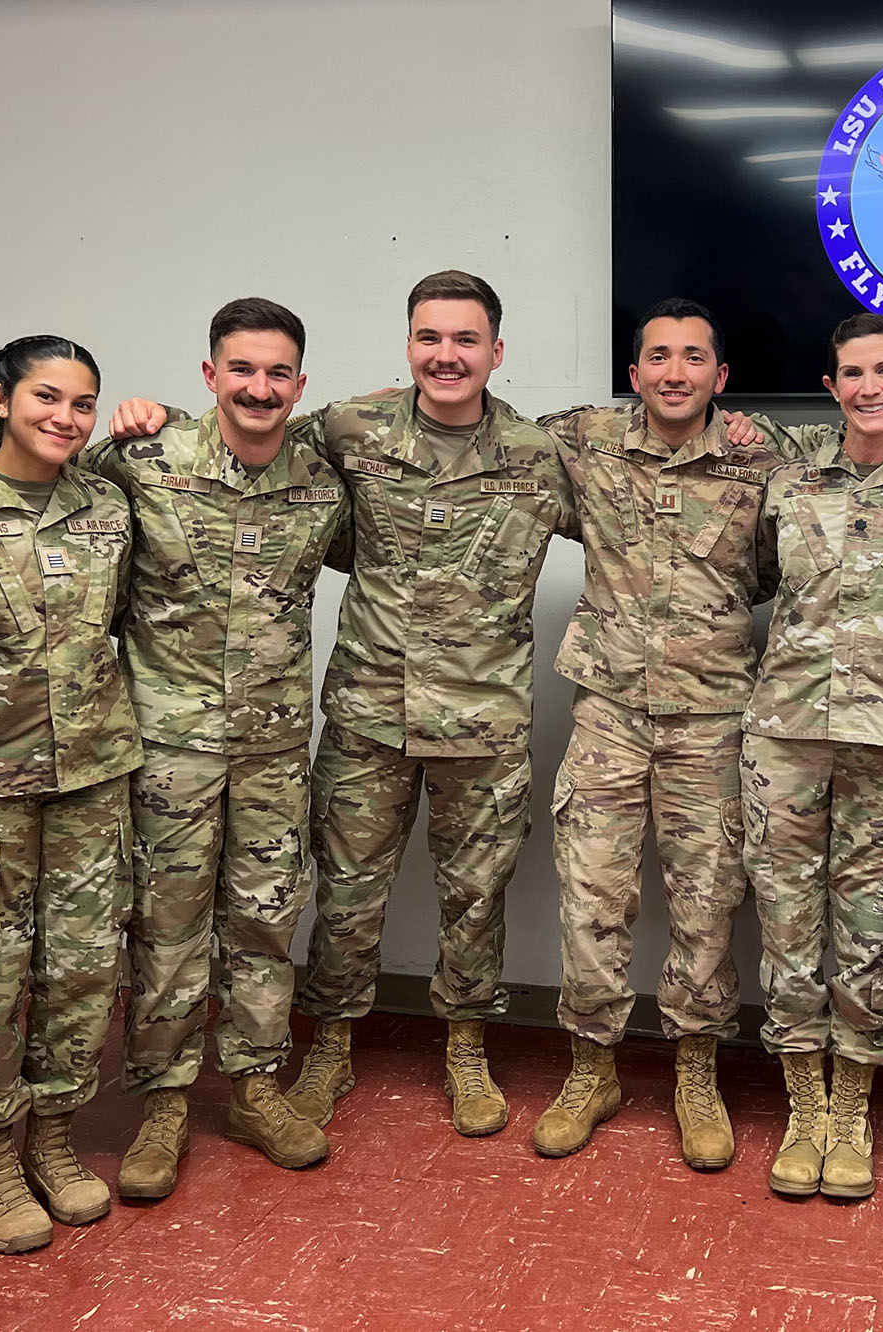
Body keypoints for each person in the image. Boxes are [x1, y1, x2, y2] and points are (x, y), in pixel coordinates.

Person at [284, 271, 577, 1136]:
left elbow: (640, 511)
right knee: (344, 891)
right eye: (428, 338)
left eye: (463, 340)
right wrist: (142, 422)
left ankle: (465, 1044)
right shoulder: (349, 428)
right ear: (408, 343)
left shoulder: (538, 454)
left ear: (496, 351)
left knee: (476, 895)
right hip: (371, 711)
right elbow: (246, 445)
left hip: (484, 723)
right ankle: (331, 1045)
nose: (444, 356)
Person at [90, 299, 352, 1197]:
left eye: (279, 373)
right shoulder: (142, 463)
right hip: (170, 750)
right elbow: (40, 484)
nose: (260, 388)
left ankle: (252, 1085)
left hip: (274, 750)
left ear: (300, 385)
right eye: (241, 369)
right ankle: (163, 1104)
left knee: (267, 920)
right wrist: (132, 412)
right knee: (164, 930)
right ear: (210, 376)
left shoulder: (323, 482)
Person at [528, 299, 794, 1169]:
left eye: (693, 357)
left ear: (721, 376)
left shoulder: (764, 461)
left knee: (707, 902)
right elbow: (472, 431)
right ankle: (592, 1066)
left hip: (713, 714)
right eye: (657, 357)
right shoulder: (584, 439)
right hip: (608, 709)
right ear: (634, 372)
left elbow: (776, 567)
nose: (674, 372)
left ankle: (695, 1069)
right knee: (591, 893)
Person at [0, 337, 139, 1254]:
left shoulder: (108, 506)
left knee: (83, 968)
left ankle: (54, 1137)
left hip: (93, 772)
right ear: (2, 396)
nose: (66, 418)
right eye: (47, 397)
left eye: (83, 404)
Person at [743, 314, 883, 1200]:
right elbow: (755, 580)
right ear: (830, 387)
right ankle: (803, 1100)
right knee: (787, 922)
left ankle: (853, 1103)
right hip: (784, 734)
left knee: (870, 925)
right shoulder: (784, 483)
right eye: (852, 373)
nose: (869, 386)